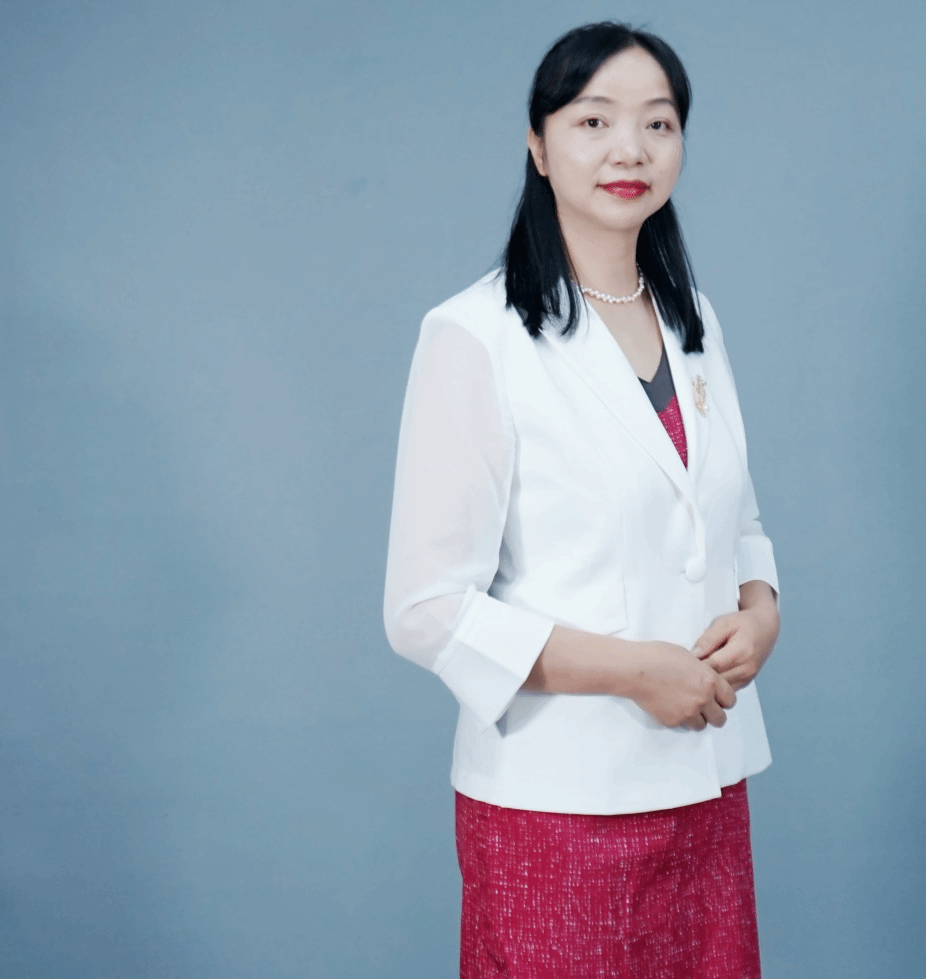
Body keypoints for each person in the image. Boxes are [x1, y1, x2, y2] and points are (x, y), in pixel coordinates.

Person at [384, 21, 781, 979]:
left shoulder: (691, 318)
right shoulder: (474, 336)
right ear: (538, 144)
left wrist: (762, 611)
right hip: (557, 806)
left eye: (658, 123)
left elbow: (736, 522)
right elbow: (426, 609)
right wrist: (634, 670)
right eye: (594, 120)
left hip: (705, 785)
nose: (629, 149)